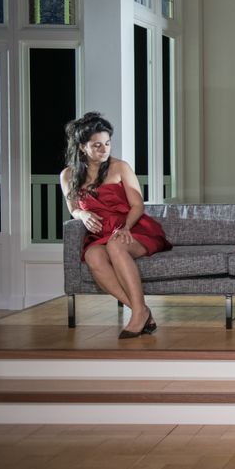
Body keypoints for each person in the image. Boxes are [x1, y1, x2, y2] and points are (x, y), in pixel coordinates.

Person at [59, 112, 171, 339]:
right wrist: (82, 214)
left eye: (107, 143)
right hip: (101, 234)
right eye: (97, 145)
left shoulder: (120, 167)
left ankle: (138, 315)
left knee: (115, 245)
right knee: (92, 256)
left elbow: (137, 205)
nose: (104, 150)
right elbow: (73, 208)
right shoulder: (68, 175)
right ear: (82, 147)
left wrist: (126, 227)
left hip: (133, 228)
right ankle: (141, 311)